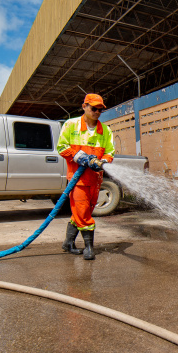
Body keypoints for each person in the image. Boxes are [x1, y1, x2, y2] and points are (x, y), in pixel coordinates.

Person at [57, 94, 116, 260]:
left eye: (100, 109)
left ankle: (68, 243)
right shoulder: (71, 125)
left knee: (83, 212)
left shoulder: (105, 130)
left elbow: (110, 151)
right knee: (83, 213)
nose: (97, 112)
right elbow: (61, 147)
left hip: (96, 180)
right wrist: (80, 157)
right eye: (94, 108)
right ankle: (89, 247)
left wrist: (102, 161)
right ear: (84, 106)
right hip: (78, 180)